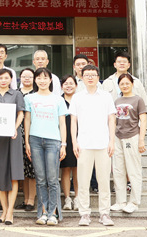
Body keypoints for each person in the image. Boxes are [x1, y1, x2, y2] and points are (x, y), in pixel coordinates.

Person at [69, 64, 116, 227]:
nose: (90, 77)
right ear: (82, 77)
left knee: (104, 181)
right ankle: (84, 213)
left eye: (93, 75)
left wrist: (112, 141)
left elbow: (111, 119)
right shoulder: (77, 97)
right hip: (83, 144)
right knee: (83, 181)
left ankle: (104, 213)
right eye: (87, 75)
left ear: (98, 77)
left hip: (103, 144)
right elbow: (73, 121)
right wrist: (74, 142)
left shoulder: (106, 96)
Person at [24, 67, 68, 226]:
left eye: (45, 78)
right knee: (40, 179)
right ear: (35, 80)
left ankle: (53, 213)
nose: (42, 81)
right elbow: (27, 120)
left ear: (50, 80)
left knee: (52, 179)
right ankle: (43, 212)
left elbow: (62, 123)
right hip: (35, 140)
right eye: (39, 78)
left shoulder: (58, 99)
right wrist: (27, 142)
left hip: (53, 141)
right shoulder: (29, 98)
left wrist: (64, 144)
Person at [0, 68, 25, 225]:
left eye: (6, 78)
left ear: (11, 79)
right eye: (0, 78)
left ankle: (10, 212)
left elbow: (21, 114)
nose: (3, 80)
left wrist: (14, 128)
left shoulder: (17, 94)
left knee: (13, 173)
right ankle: (4, 210)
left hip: (13, 137)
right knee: (0, 173)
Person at [111, 73, 147, 214]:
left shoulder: (138, 100)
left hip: (132, 137)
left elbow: (143, 120)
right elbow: (113, 121)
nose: (125, 86)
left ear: (132, 84)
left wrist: (141, 140)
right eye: (122, 84)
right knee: (118, 170)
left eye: (127, 83)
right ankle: (120, 201)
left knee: (133, 170)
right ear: (118, 85)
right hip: (118, 137)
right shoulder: (117, 101)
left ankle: (134, 202)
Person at [17, 67, 36, 212]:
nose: (27, 79)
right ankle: (25, 199)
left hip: (33, 132)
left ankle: (31, 200)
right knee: (23, 168)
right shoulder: (15, 93)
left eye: (30, 76)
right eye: (24, 76)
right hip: (18, 133)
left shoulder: (36, 94)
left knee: (32, 168)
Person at [60, 75, 79, 211]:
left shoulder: (80, 100)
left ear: (76, 86)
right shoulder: (58, 101)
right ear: (62, 86)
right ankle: (67, 199)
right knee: (65, 169)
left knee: (78, 169)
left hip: (79, 138)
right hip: (63, 139)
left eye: (71, 83)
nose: (68, 86)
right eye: (66, 84)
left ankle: (77, 198)